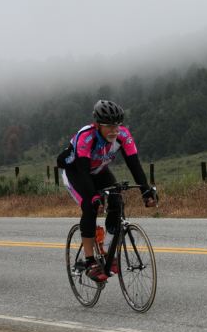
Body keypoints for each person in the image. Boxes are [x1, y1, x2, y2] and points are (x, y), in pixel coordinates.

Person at [57, 99, 157, 283]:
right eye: (109, 126)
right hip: (76, 172)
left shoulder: (123, 135)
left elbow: (134, 164)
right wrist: (94, 197)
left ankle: (109, 250)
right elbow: (83, 171)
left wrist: (146, 191)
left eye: (117, 126)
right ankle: (89, 261)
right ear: (97, 125)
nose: (114, 130)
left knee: (117, 200)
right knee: (90, 206)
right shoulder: (86, 137)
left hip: (99, 171)